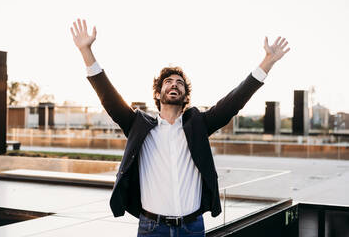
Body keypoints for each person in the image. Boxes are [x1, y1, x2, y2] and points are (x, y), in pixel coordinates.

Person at [70, 19, 290, 237]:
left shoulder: (199, 125)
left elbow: (235, 100)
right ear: (158, 94)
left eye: (179, 83)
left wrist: (267, 62)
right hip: (151, 228)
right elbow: (108, 97)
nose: (174, 84)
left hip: (192, 228)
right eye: (168, 82)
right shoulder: (139, 125)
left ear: (185, 96)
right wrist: (86, 52)